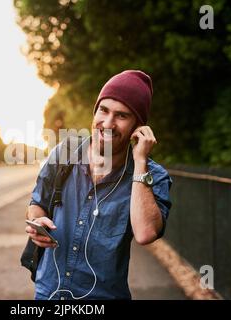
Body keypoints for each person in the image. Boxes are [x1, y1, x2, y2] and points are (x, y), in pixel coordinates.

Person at [25, 70, 172, 300]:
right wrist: (37, 221)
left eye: (122, 116)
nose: (108, 123)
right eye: (103, 110)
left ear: (138, 127)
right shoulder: (64, 153)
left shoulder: (152, 176)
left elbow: (145, 233)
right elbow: (37, 203)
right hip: (48, 293)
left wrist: (140, 161)